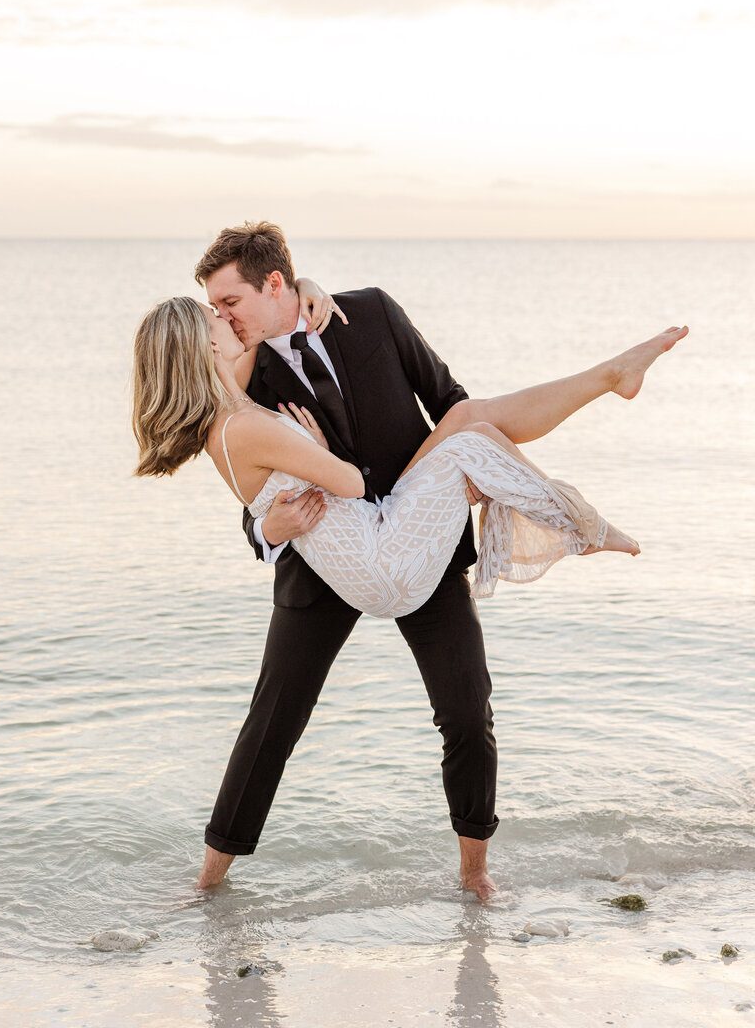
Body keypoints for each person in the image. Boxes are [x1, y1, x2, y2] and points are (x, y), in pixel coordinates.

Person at [131, 222, 687, 897]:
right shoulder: (246, 364)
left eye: (229, 302)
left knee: (466, 710)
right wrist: (269, 529)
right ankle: (208, 880)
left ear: (274, 283)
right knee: (274, 722)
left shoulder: (369, 313)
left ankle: (475, 874)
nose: (224, 317)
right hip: (325, 558)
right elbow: (250, 479)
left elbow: (447, 401)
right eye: (215, 312)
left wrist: (446, 488)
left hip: (412, 531)